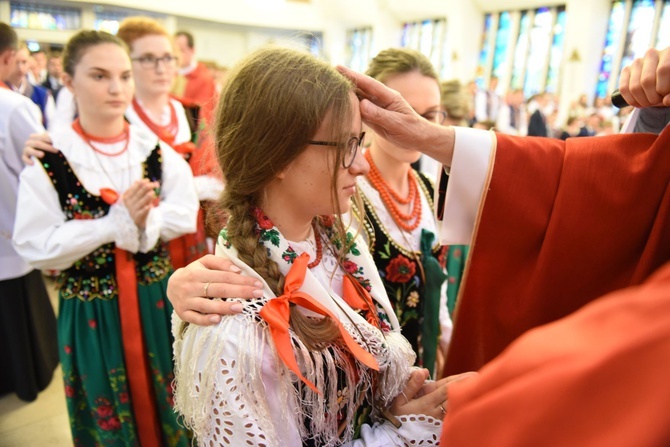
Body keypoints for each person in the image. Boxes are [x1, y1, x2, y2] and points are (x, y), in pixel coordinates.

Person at [172, 46, 451, 446]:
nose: (360, 164)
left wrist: (393, 405)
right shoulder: (235, 325)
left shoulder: (341, 244)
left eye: (361, 141)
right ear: (279, 156)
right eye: (347, 145)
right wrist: (398, 434)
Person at [12, 30, 198, 446]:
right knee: (106, 406)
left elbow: (185, 212)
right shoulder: (52, 156)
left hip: (156, 301)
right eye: (99, 76)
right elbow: (34, 243)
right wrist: (111, 225)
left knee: (172, 397)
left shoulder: (153, 150)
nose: (116, 88)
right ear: (70, 80)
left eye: (124, 75)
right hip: (90, 307)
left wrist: (143, 221)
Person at [354, 48, 453, 377]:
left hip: (424, 373)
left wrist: (447, 345)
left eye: (430, 114)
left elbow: (438, 297)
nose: (416, 126)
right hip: (373, 381)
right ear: (368, 111)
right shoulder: (346, 193)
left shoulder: (429, 188)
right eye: (403, 110)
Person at [0, 22, 58, 403]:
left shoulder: (15, 105)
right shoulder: (14, 107)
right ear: (6, 58)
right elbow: (42, 177)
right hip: (10, 232)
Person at [5, 42, 55, 127]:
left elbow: (53, 128)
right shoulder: (3, 92)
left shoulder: (43, 95)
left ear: (29, 63)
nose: (20, 68)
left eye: (24, 62)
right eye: (15, 62)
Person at [172, 30, 217, 124]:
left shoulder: (204, 79)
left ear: (192, 50)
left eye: (181, 50)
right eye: (174, 50)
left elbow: (203, 114)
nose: (176, 55)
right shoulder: (170, 74)